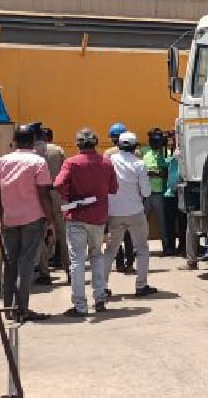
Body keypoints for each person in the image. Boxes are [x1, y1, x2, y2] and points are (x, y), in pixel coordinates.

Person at [0, 125, 55, 322]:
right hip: (32, 218)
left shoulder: (2, 161)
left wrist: (3, 217)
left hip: (10, 218)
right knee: (26, 263)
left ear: (15, 140)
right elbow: (44, 194)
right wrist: (51, 220)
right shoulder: (38, 162)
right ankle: (23, 309)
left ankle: (9, 308)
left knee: (9, 262)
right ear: (34, 139)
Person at [54, 128, 118, 316]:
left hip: (77, 216)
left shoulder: (71, 163)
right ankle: (100, 298)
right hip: (98, 218)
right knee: (97, 256)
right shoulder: (106, 163)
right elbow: (113, 189)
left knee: (77, 260)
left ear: (78, 144)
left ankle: (80, 305)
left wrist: (69, 196)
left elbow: (58, 184)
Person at [103, 132, 157, 297]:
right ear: (135, 147)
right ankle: (141, 286)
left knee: (111, 250)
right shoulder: (139, 164)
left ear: (118, 145)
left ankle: (102, 287)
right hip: (135, 212)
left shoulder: (109, 161)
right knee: (141, 249)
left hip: (114, 212)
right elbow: (147, 192)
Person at [31, 122, 67, 285]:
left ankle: (44, 272)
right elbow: (66, 174)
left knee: (41, 234)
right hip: (57, 195)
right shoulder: (57, 150)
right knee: (63, 234)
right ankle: (70, 270)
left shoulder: (30, 152)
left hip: (38, 195)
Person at [105, 122, 135, 273]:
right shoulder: (135, 153)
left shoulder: (108, 154)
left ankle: (119, 263)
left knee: (115, 234)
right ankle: (130, 263)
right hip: (131, 199)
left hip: (114, 199)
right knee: (129, 233)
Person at [143, 128, 169, 255]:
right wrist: (155, 173)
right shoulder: (144, 153)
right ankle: (140, 248)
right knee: (142, 223)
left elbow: (167, 172)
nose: (155, 142)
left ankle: (167, 247)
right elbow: (141, 172)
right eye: (153, 140)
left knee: (163, 223)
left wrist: (155, 173)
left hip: (160, 193)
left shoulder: (167, 153)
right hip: (146, 194)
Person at [163, 132, 186, 255]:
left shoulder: (181, 151)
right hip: (169, 193)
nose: (169, 142)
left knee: (183, 222)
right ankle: (170, 247)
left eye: (172, 139)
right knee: (169, 224)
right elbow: (163, 163)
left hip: (181, 191)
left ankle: (183, 247)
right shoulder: (166, 153)